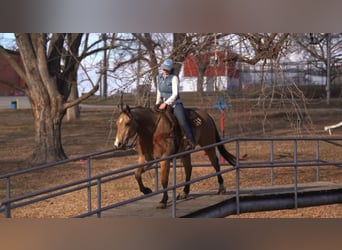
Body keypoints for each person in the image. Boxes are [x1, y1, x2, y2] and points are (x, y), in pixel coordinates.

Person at [155, 58, 195, 150]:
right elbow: (159, 91)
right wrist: (157, 103)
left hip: (175, 104)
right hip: (163, 103)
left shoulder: (174, 78)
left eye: (167, 69)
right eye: (164, 69)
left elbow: (175, 94)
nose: (165, 71)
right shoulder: (159, 77)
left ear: (170, 69)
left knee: (182, 120)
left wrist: (165, 103)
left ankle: (190, 140)